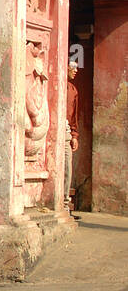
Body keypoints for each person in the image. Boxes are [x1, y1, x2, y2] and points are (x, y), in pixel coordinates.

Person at [66, 64, 80, 210]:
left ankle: (64, 202)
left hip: (66, 131)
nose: (75, 70)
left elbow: (74, 116)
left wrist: (74, 136)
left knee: (67, 168)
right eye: (72, 67)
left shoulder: (73, 90)